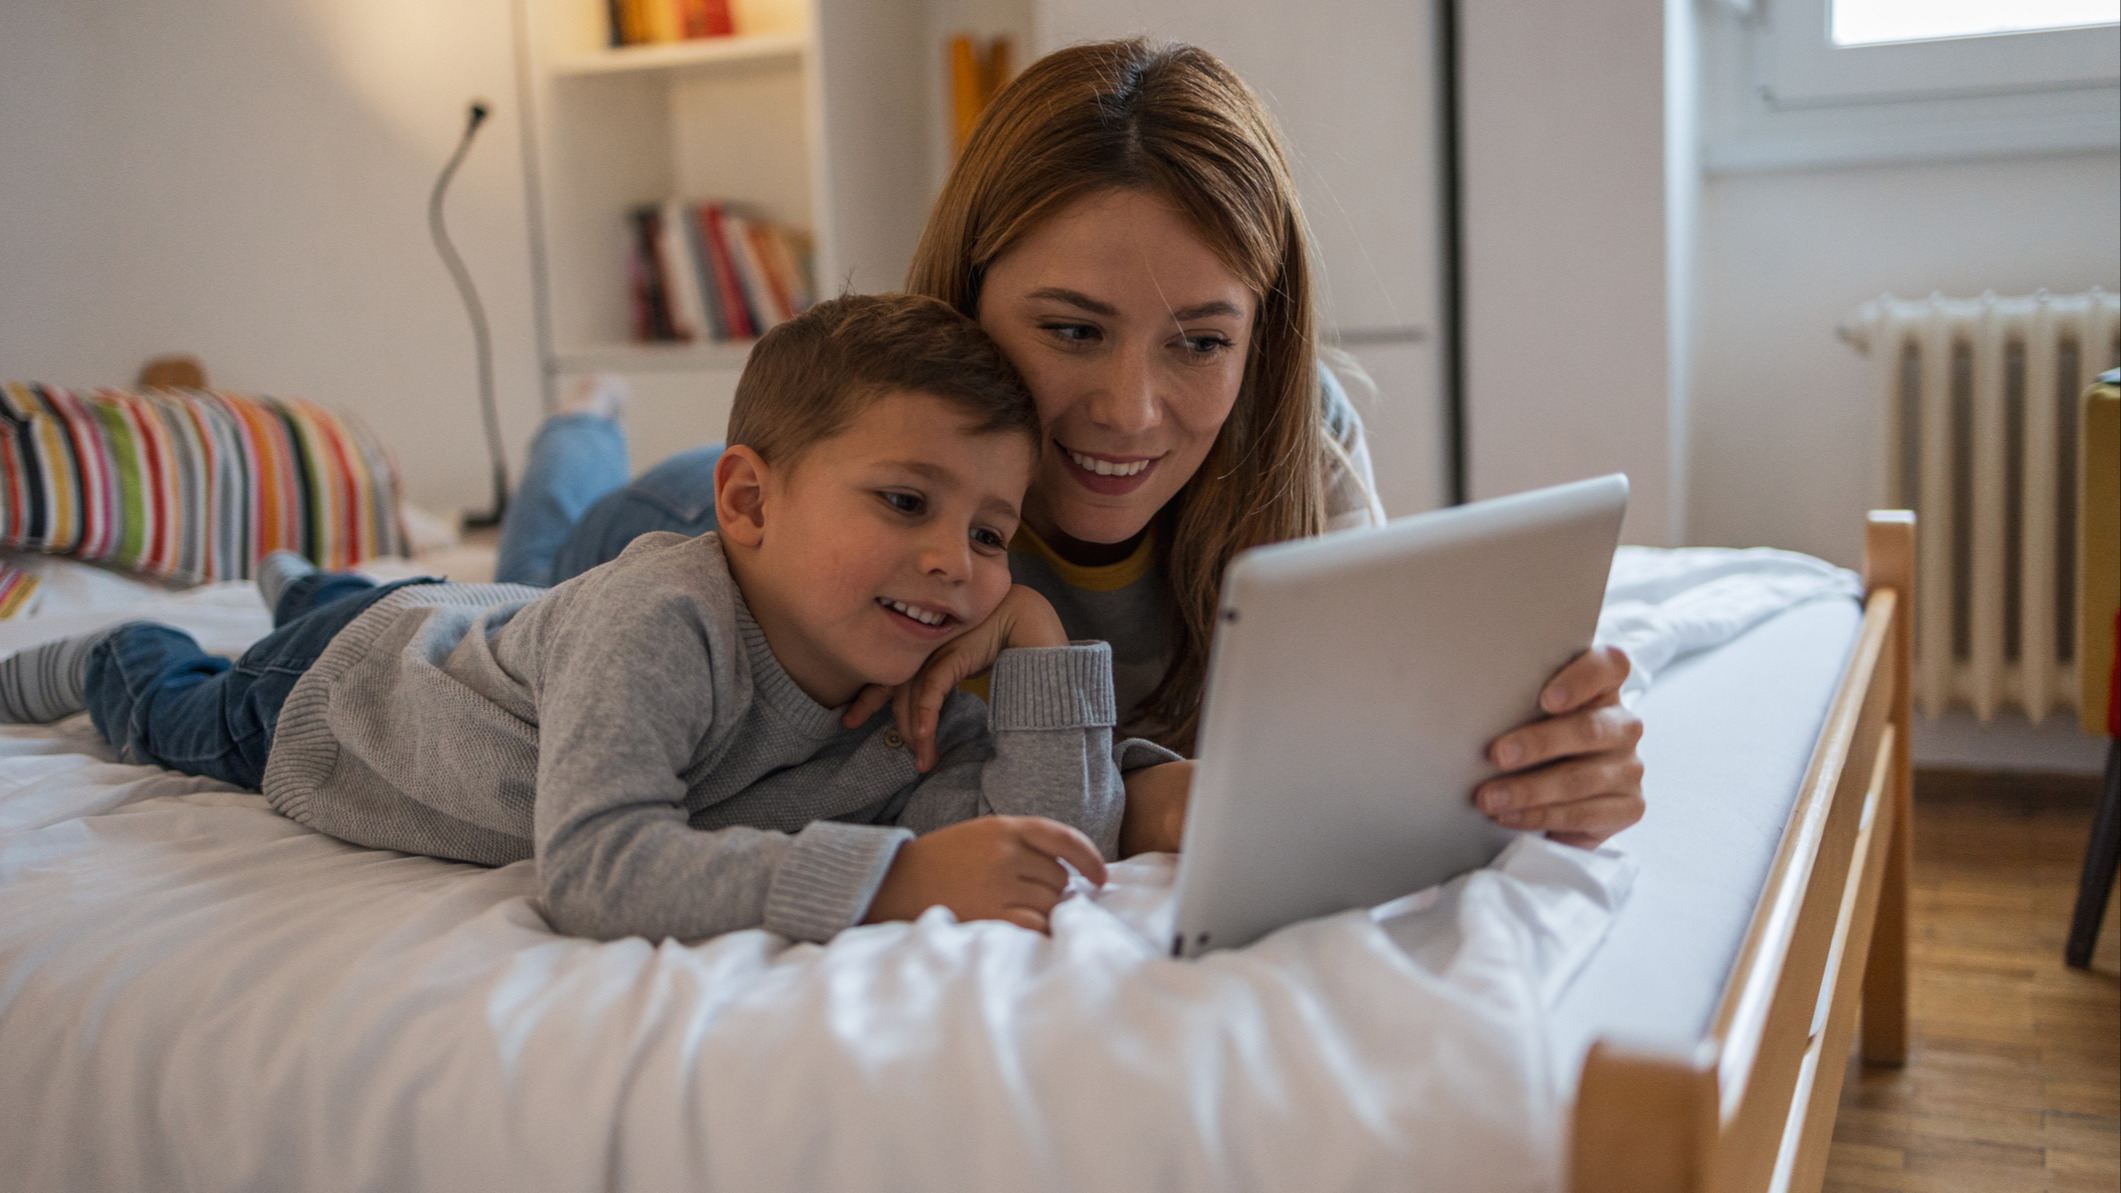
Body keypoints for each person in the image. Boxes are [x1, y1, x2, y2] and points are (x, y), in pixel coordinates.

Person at [495, 39, 1646, 854]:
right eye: (1071, 330)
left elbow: (1373, 721)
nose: (1132, 410)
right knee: (535, 557)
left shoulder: (1299, 441)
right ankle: (579, 436)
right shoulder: (746, 568)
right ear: (967, 295)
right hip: (676, 510)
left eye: (1200, 340)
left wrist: (1533, 756)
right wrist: (1154, 804)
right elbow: (794, 796)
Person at [0, 294, 1182, 941]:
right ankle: (124, 642)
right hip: (355, 700)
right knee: (185, 702)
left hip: (483, 629)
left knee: (365, 590)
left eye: (989, 532)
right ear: (748, 499)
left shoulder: (914, 682)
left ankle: (306, 576)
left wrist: (1031, 625)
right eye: (906, 501)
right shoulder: (668, 617)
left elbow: (1052, 842)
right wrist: (895, 879)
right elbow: (600, 866)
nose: (953, 561)